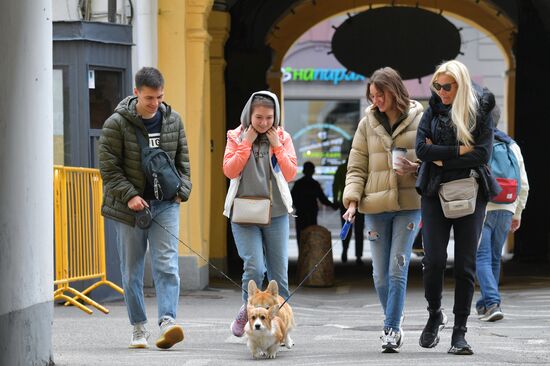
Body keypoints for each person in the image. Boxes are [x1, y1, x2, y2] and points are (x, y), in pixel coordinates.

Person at [98, 67, 191, 349]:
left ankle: (167, 322)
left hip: (165, 205)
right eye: (150, 98)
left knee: (167, 265)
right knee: (132, 270)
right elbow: (108, 167)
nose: (155, 103)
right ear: (136, 92)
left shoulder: (173, 120)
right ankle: (138, 328)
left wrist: (182, 192)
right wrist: (129, 196)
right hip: (129, 209)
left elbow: (183, 162)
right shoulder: (116, 124)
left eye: (160, 97)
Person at [415, 60, 499, 355]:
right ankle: (435, 312)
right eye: (436, 86)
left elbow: (483, 155)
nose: (440, 91)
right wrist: (459, 150)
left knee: (465, 265)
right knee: (434, 260)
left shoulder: (481, 110)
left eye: (446, 86)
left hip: (472, 191)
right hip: (433, 191)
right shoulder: (432, 109)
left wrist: (443, 158)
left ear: (460, 85)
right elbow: (421, 150)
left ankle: (459, 334)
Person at [342, 67, 423, 353]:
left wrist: (417, 168)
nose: (376, 100)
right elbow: (356, 165)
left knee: (397, 267)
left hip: (409, 204)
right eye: (372, 96)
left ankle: (390, 328)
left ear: (395, 90)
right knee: (379, 274)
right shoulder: (367, 123)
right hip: (375, 205)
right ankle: (395, 314)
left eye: (380, 94)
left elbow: (434, 160)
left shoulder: (420, 119)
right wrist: (351, 202)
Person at [222, 91, 297, 337]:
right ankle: (249, 314)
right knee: (254, 268)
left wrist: (277, 147)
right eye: (258, 117)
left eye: (269, 117)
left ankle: (280, 329)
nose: (264, 123)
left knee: (279, 278)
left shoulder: (282, 137)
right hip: (244, 214)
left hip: (275, 214)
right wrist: (246, 143)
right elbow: (230, 170)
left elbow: (289, 173)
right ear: (249, 115)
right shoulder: (235, 136)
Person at [475, 105, 529, 322]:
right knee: (494, 257)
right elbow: (523, 183)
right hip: (506, 206)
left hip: (484, 208)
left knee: (482, 256)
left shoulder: (478, 145)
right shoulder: (511, 145)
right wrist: (517, 212)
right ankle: (485, 302)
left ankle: (492, 303)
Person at [291, 161, 337, 247]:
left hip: (301, 214)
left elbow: (292, 199)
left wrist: (298, 206)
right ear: (313, 171)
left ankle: (301, 258)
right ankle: (309, 258)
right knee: (311, 237)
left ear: (304, 171)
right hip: (311, 214)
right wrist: (333, 205)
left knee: (301, 238)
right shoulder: (314, 184)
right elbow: (323, 199)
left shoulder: (298, 184)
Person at [333, 159, 365, 264]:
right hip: (357, 201)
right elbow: (336, 185)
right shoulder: (361, 166)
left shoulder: (342, 168)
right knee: (358, 231)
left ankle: (345, 251)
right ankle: (358, 256)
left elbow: (335, 185)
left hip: (346, 201)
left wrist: (335, 200)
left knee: (347, 229)